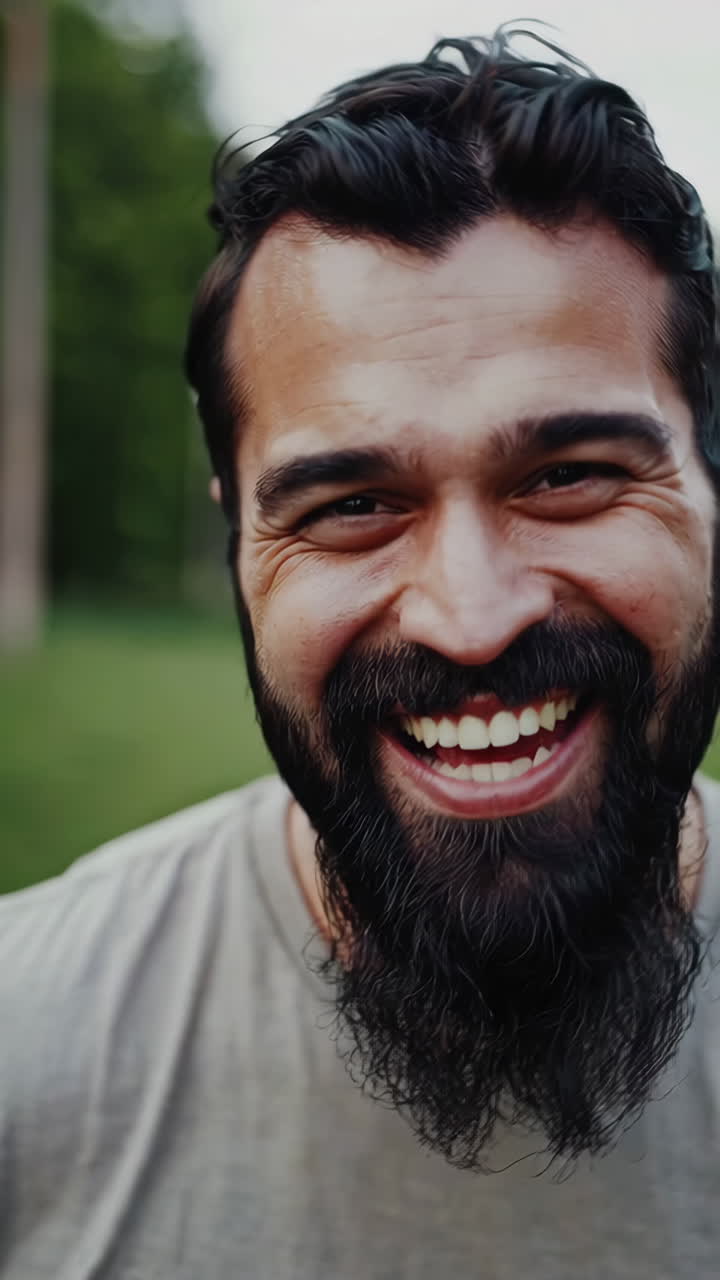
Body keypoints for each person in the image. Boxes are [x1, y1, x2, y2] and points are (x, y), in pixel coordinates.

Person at [2, 24, 720, 1279]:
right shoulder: (26, 1044)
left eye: (569, 475)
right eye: (351, 504)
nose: (470, 612)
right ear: (239, 537)